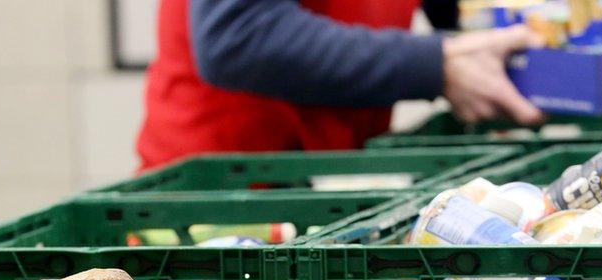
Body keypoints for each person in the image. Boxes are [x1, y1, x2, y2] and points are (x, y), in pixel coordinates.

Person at [136, 0, 545, 170]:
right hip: (218, 194)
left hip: (338, 179)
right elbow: (234, 36)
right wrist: (437, 64)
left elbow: (456, 13)